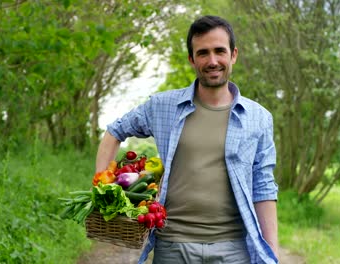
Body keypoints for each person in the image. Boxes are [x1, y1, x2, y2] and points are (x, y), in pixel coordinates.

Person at [95, 15, 279, 264]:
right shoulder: (163, 106)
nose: (212, 61)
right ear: (192, 59)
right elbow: (114, 131)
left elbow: (264, 187)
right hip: (172, 247)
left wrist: (273, 255)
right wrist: (102, 190)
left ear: (233, 55)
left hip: (234, 251)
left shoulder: (258, 118)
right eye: (203, 53)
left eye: (219, 51)